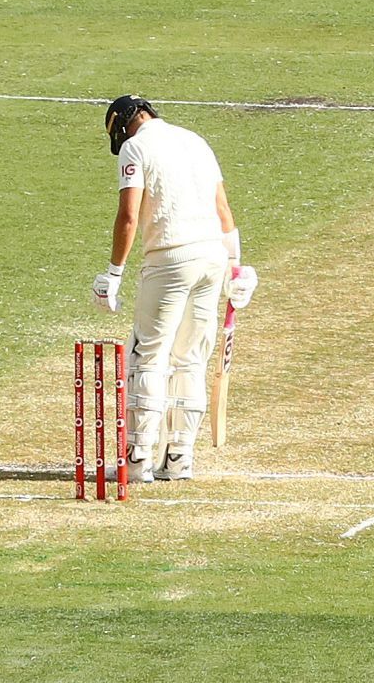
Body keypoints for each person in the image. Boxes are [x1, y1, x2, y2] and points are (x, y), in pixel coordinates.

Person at [91, 96, 256, 482]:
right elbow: (223, 210)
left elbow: (129, 215)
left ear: (126, 122)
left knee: (148, 355)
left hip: (169, 259)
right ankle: (180, 458)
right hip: (212, 258)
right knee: (190, 357)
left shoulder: (135, 147)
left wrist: (113, 273)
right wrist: (236, 268)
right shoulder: (195, 140)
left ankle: (136, 461)